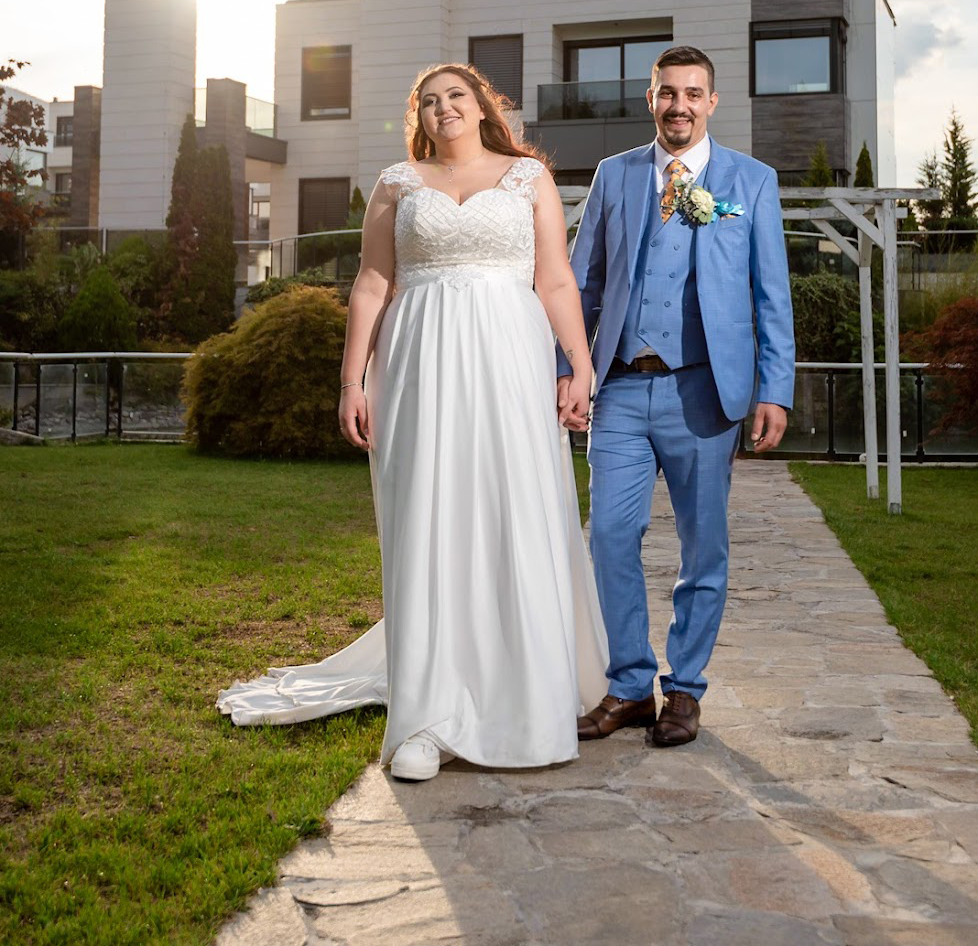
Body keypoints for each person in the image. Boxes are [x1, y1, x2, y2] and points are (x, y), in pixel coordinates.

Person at [218, 64, 608, 781]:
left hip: (510, 362)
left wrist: (579, 366)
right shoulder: (397, 183)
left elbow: (556, 279)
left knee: (513, 511)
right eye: (429, 101)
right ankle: (426, 719)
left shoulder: (529, 178)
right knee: (427, 517)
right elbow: (372, 283)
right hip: (416, 363)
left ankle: (528, 697)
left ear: (482, 106)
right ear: (419, 118)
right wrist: (352, 381)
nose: (443, 108)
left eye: (455, 95)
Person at [561, 45, 794, 749]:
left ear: (712, 102)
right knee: (609, 536)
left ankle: (685, 688)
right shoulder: (615, 175)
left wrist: (775, 389)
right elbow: (582, 283)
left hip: (705, 392)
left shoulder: (751, 181)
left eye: (693, 93)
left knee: (703, 547)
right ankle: (631, 686)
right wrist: (568, 369)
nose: (679, 105)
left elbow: (771, 296)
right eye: (668, 92)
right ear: (651, 98)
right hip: (622, 387)